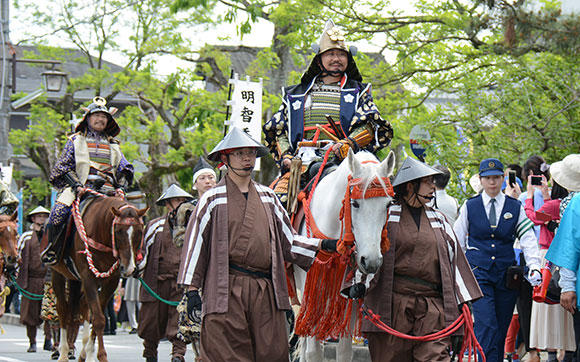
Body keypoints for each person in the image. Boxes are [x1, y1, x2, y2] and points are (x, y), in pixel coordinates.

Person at [178, 127, 336, 361]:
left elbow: (289, 241)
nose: (247, 159)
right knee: (228, 354)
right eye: (240, 153)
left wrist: (325, 244)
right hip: (226, 289)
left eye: (251, 153)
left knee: (271, 352)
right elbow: (195, 246)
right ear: (225, 158)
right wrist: (192, 292)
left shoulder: (268, 196)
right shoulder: (211, 200)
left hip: (266, 289)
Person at [354, 157, 482, 361]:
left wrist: (463, 307)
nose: (434, 187)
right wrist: (359, 284)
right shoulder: (386, 216)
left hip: (432, 310)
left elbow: (454, 262)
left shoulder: (439, 219)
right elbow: (369, 248)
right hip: (392, 307)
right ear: (410, 185)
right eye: (428, 182)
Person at [263, 19, 393, 203]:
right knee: (274, 201)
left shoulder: (359, 92)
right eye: (330, 54)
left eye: (341, 54)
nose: (336, 59)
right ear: (319, 59)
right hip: (299, 163)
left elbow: (370, 124)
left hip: (344, 162)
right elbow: (278, 130)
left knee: (378, 199)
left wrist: (349, 143)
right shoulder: (296, 94)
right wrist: (286, 155)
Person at [454, 158, 542, 362]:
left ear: (503, 179)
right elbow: (457, 240)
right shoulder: (470, 205)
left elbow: (528, 238)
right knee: (486, 325)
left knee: (502, 327)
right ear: (481, 180)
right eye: (488, 178)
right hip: (479, 274)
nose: (492, 182)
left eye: (496, 178)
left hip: (506, 275)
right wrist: (456, 272)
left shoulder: (514, 206)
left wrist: (535, 266)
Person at [42, 96, 134, 265]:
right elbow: (62, 166)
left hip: (109, 193)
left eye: (104, 117)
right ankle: (54, 251)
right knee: (57, 214)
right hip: (80, 189)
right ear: (88, 118)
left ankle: (133, 258)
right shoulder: (75, 141)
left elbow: (124, 168)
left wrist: (121, 187)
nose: (100, 119)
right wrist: (76, 184)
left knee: (131, 218)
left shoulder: (114, 145)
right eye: (96, 116)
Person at [137, 184, 194, 362]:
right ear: (168, 203)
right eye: (176, 200)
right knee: (151, 320)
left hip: (180, 281)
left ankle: (178, 354)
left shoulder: (192, 226)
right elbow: (143, 252)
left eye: (183, 201)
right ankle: (150, 354)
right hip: (156, 281)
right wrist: (136, 267)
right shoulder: (154, 226)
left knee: (179, 320)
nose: (179, 204)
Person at [526, 177, 575, 362]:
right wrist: (546, 198)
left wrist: (529, 197)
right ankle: (568, 351)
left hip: (549, 257)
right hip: (569, 257)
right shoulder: (566, 204)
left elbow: (534, 217)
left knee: (548, 307)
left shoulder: (555, 204)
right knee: (567, 311)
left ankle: (552, 353)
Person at [543, 154, 580, 360]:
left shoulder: (574, 203)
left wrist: (568, 286)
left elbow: (569, 246)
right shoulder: (575, 203)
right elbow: (570, 246)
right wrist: (568, 286)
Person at [16, 206, 51, 353]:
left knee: (50, 312)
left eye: (44, 216)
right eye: (39, 216)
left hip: (47, 279)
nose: (42, 219)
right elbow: (17, 256)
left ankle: (49, 340)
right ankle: (32, 342)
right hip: (30, 280)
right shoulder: (26, 236)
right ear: (33, 218)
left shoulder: (51, 236)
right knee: (30, 314)